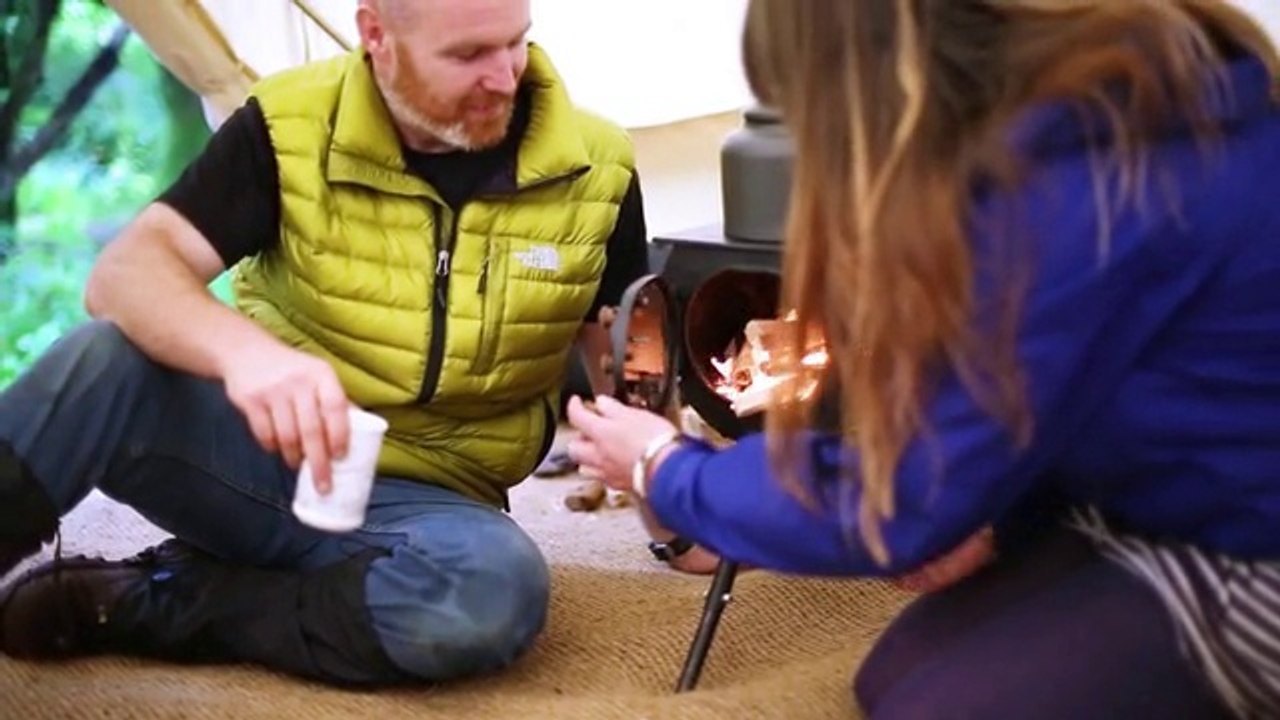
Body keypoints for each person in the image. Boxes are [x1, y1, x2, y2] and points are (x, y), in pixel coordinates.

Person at [567, 1, 1280, 717]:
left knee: (933, 708)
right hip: (1165, 499)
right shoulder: (1100, 126)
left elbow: (900, 503)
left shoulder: (1086, 193)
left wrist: (664, 466)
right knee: (897, 672)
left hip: (1251, 555)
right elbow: (1091, 394)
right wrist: (999, 516)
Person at [0, 0, 652, 687]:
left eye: (516, 44)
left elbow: (633, 374)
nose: (504, 77)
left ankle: (165, 599)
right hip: (254, 459)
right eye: (467, 56)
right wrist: (249, 358)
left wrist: (678, 503)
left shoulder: (598, 171)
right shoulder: (288, 125)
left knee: (492, 593)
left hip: (429, 512)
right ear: (376, 35)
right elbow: (126, 273)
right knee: (99, 360)